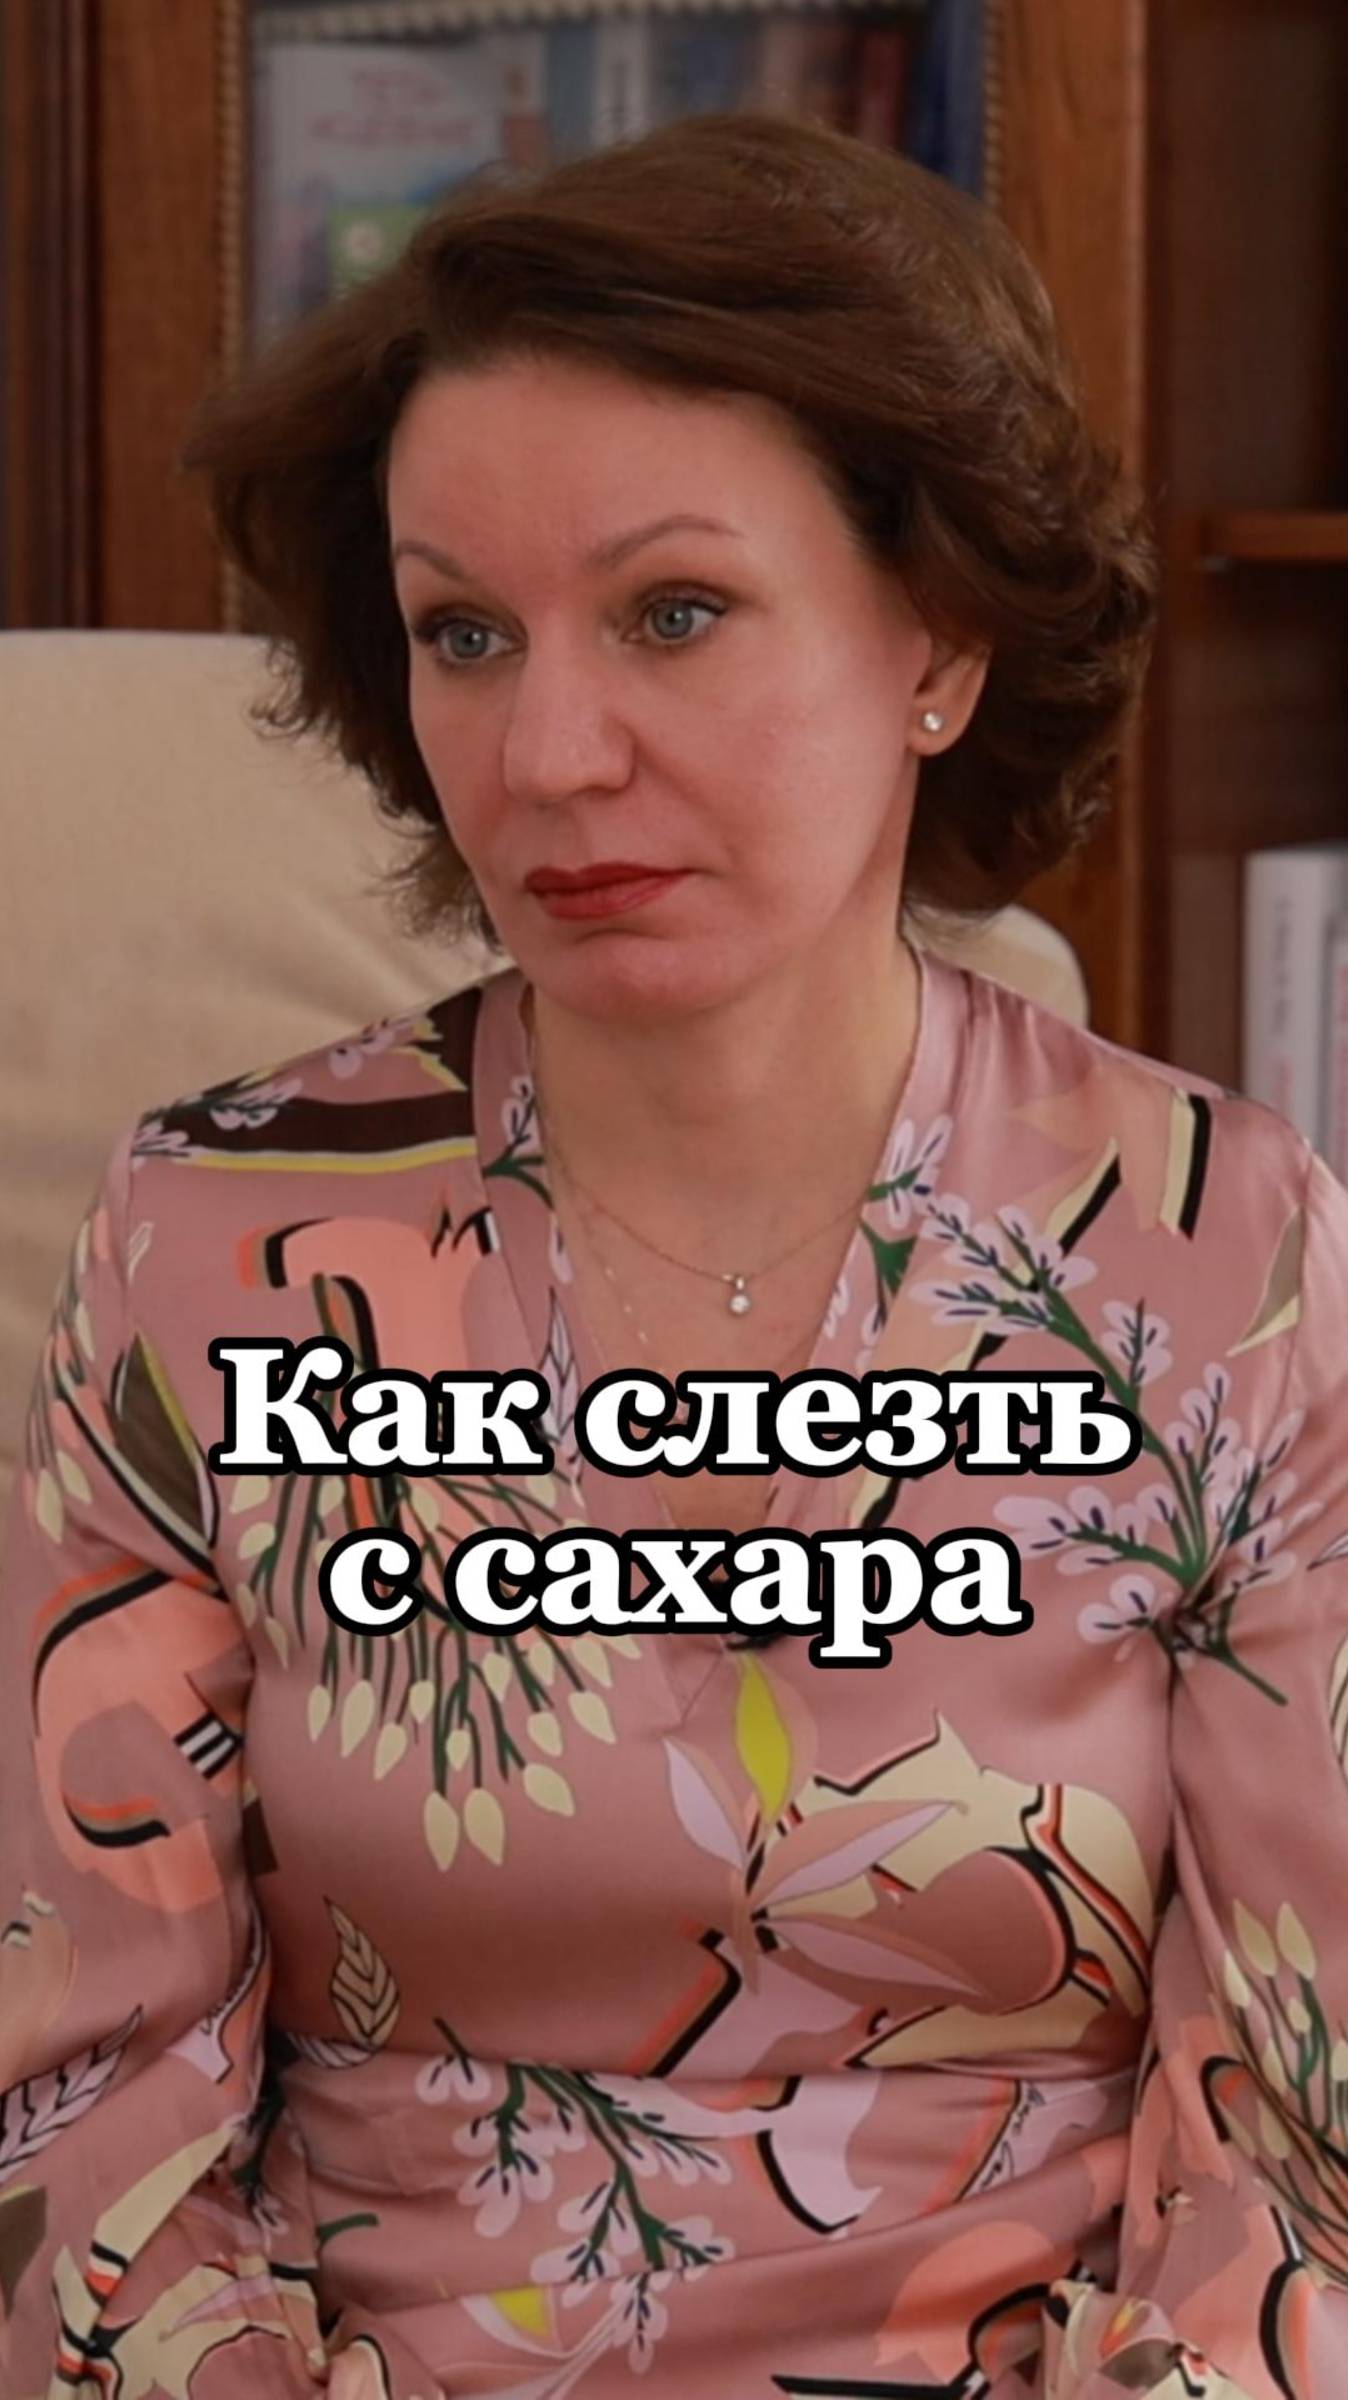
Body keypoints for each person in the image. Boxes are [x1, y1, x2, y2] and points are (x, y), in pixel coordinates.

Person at [2, 108, 1345, 2400]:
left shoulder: (1228, 1259)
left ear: (935, 637)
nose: (547, 750)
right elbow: (85, 2092)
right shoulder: (206, 1247)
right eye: (463, 633)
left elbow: (1293, 2153)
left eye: (673, 613)